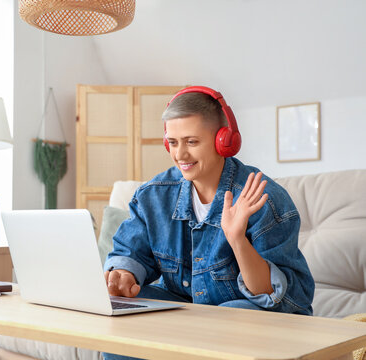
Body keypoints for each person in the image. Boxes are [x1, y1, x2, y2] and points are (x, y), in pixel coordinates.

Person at [102, 86, 315, 360]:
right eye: (173, 142)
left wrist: (237, 239)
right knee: (121, 319)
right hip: (188, 310)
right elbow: (129, 253)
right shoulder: (153, 195)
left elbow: (270, 296)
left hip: (256, 313)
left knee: (231, 321)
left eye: (191, 142)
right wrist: (123, 275)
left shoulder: (264, 198)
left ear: (223, 141)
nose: (180, 155)